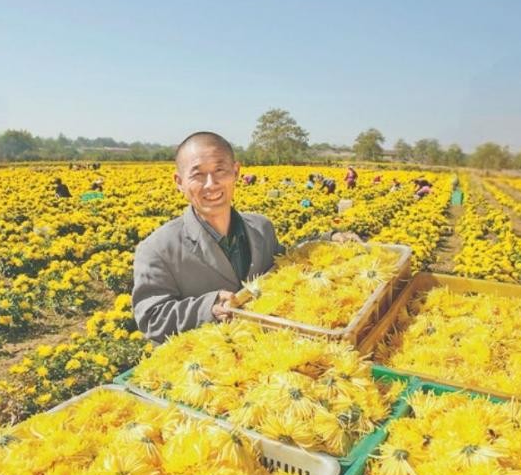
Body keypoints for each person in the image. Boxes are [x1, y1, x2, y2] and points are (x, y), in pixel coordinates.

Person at [132, 131, 358, 343]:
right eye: (198, 174)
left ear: (236, 172)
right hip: (207, 371)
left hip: (270, 354)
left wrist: (329, 239)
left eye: (220, 170)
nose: (211, 184)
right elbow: (151, 317)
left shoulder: (261, 227)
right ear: (179, 182)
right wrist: (208, 308)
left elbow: (284, 263)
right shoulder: (157, 248)